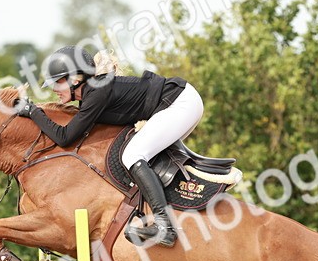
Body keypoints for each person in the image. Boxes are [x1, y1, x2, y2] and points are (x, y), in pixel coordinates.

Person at [15, 45, 204, 247]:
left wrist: (33, 111)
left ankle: (164, 226)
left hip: (180, 104)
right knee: (143, 154)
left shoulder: (96, 92)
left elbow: (64, 137)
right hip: (178, 103)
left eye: (58, 81)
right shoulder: (92, 94)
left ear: (75, 79)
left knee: (132, 155)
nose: (54, 89)